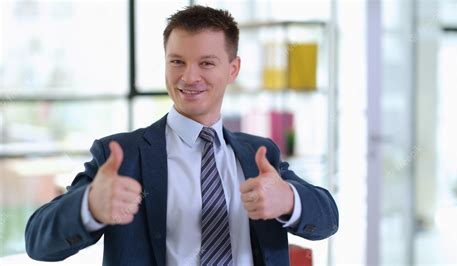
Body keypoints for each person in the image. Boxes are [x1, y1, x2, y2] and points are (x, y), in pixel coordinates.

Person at [25, 5, 338, 266]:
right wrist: (90, 205)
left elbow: (328, 219)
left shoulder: (259, 154)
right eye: (177, 62)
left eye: (206, 63)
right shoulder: (122, 155)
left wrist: (288, 199)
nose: (189, 77)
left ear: (232, 69)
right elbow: (38, 241)